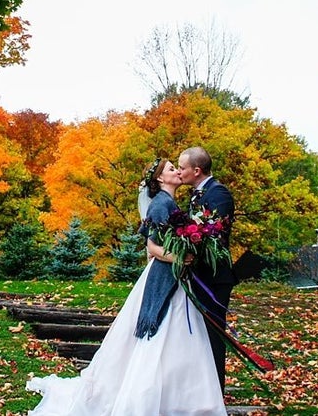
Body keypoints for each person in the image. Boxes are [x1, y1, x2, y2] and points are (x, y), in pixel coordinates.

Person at [25, 158, 228, 416]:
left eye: (177, 168)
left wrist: (188, 252)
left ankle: (182, 398)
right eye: (170, 169)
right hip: (164, 276)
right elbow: (152, 247)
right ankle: (151, 397)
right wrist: (180, 256)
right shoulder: (160, 205)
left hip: (177, 277)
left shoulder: (172, 203)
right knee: (161, 336)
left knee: (181, 338)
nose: (176, 171)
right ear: (160, 179)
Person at [178, 146, 236, 392]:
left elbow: (215, 235)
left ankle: (215, 391)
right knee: (197, 333)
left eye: (182, 168)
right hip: (198, 275)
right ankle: (200, 388)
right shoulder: (197, 195)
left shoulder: (218, 193)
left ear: (197, 170)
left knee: (213, 333)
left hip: (213, 278)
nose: (179, 172)